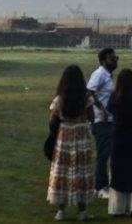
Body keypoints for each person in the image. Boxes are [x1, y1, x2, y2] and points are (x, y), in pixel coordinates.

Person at [47, 65, 96, 221]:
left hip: (65, 135)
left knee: (63, 170)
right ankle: (82, 211)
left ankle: (61, 211)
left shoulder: (59, 99)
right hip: (81, 136)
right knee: (81, 170)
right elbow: (92, 118)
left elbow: (52, 118)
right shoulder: (86, 98)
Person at [106, 69, 132, 216]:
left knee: (118, 172)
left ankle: (118, 207)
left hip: (119, 137)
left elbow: (109, 109)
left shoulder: (115, 97)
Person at [87, 47, 118, 199]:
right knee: (103, 154)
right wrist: (103, 110)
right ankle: (100, 187)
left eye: (116, 58)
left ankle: (107, 184)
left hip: (110, 120)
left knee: (110, 153)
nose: (115, 60)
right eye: (112, 58)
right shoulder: (99, 74)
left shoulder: (107, 75)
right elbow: (89, 92)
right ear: (103, 61)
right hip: (102, 120)